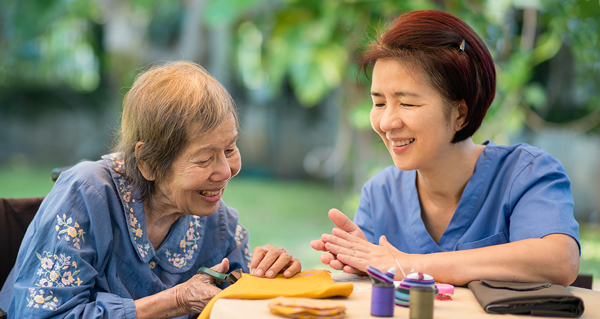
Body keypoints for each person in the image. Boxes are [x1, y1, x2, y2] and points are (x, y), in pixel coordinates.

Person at [0, 61, 301, 318]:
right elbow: (39, 313)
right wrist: (174, 301)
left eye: (231, 148)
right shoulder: (87, 195)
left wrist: (274, 276)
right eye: (205, 158)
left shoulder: (217, 222)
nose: (225, 171)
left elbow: (240, 296)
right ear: (149, 163)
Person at [311, 10, 580, 287]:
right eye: (379, 103)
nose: (387, 122)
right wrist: (356, 268)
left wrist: (408, 266)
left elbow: (560, 261)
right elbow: (372, 280)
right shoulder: (381, 194)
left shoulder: (526, 173)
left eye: (407, 103)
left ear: (460, 113)